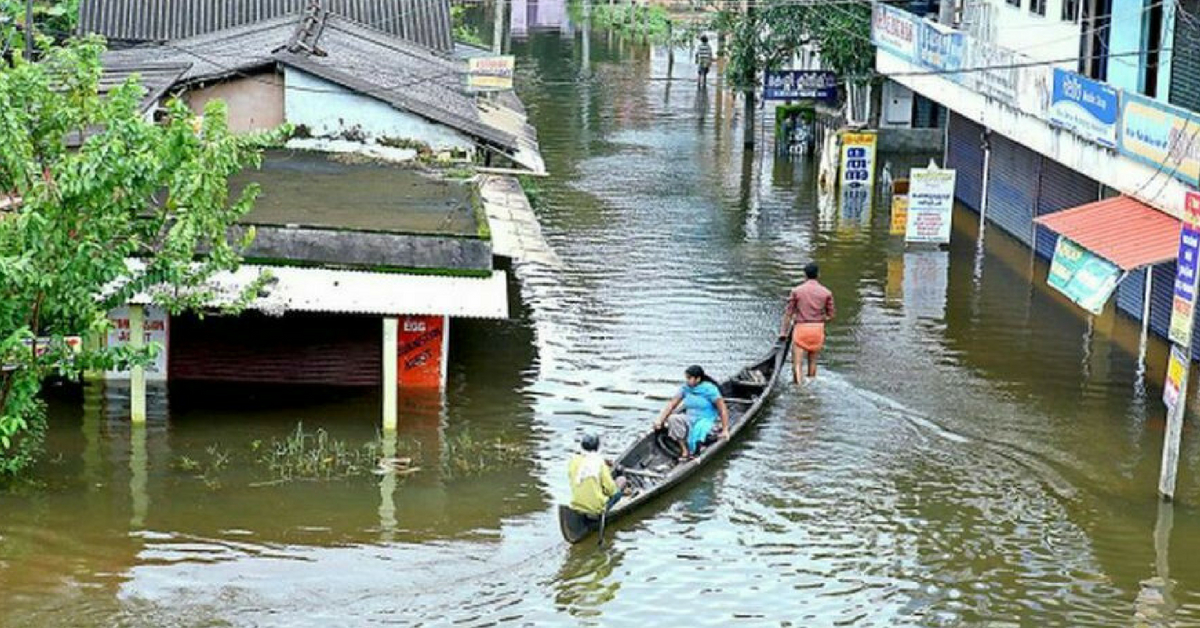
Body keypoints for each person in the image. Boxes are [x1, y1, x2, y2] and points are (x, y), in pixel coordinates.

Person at [652, 365, 730, 461]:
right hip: (690, 418)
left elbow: (722, 409)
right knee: (673, 419)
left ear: (698, 379)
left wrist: (725, 429)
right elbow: (672, 405)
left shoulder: (710, 389)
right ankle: (685, 450)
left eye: (689, 378)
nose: (687, 380)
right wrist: (660, 420)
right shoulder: (685, 388)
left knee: (701, 430)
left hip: (707, 420)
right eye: (686, 378)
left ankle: (698, 448)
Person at [780, 262, 835, 384]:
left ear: (804, 275)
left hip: (801, 329)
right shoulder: (826, 292)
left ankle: (799, 390)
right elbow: (831, 315)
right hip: (817, 329)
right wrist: (820, 318)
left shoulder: (796, 291)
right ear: (818, 275)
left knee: (797, 364)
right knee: (813, 361)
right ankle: (811, 383)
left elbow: (788, 313)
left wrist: (783, 332)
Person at [567, 433, 627, 515]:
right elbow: (611, 490)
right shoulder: (599, 462)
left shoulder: (573, 461)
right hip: (596, 509)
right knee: (621, 480)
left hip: (576, 504)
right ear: (597, 447)